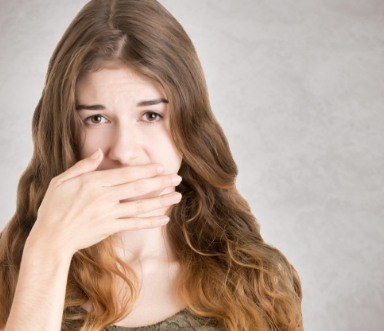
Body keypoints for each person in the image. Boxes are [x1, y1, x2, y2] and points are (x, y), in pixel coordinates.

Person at [0, 0, 303, 330]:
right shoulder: (12, 271)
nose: (125, 151)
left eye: (151, 115)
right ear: (64, 131)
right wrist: (48, 251)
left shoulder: (257, 281)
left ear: (190, 125)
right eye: (96, 118)